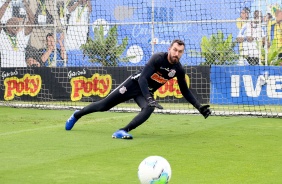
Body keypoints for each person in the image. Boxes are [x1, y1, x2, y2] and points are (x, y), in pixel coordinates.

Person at [65, 39, 212, 139]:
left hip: (145, 92)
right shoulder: (158, 58)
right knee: (103, 106)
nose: (176, 53)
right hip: (133, 85)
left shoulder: (178, 69)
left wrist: (198, 107)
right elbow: (142, 79)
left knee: (149, 108)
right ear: (169, 49)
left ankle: (122, 131)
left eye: (180, 51)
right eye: (174, 50)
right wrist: (149, 97)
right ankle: (77, 115)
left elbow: (185, 90)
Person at [0, 0, 34, 67]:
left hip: (22, 71)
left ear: (18, 28)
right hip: (7, 72)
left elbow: (32, 20)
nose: (14, 23)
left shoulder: (21, 35)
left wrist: (24, 3)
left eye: (16, 23)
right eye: (11, 22)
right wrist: (7, 2)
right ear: (6, 26)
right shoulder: (2, 35)